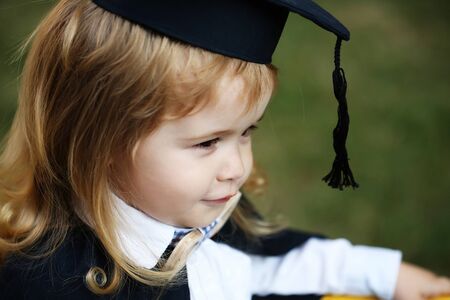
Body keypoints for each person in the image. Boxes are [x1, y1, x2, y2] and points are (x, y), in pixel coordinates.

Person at [0, 0, 449, 299]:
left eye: (247, 132)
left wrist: (388, 276)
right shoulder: (42, 281)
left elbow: (272, 265)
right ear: (98, 142)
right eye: (208, 142)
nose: (237, 167)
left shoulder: (203, 218)